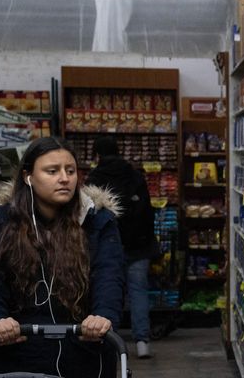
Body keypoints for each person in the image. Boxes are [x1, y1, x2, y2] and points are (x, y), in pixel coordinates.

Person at [0, 137, 125, 377]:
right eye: (52, 171)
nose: (64, 178)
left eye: (70, 171)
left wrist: (103, 317)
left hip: (83, 354)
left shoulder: (98, 223)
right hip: (17, 354)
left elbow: (109, 276)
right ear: (27, 176)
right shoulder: (1, 222)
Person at [84, 137, 158, 358]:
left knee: (106, 290)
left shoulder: (94, 178)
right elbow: (147, 211)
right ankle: (142, 341)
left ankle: (108, 341)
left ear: (98, 155)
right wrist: (145, 237)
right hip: (138, 245)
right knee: (138, 291)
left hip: (106, 246)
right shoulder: (135, 175)